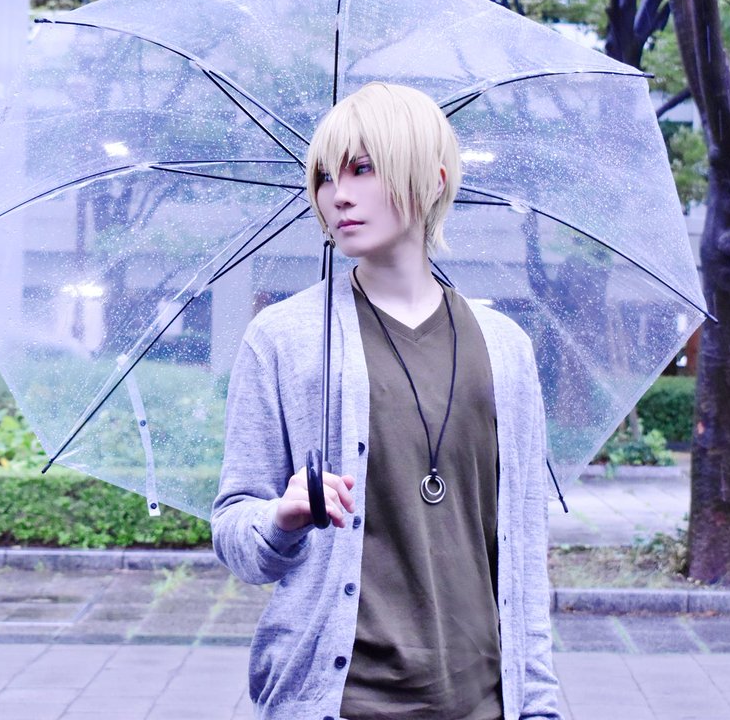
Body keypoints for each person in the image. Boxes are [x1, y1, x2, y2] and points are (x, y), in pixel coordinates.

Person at [212, 82, 560, 720]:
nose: (337, 194)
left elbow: (524, 550)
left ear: (432, 180)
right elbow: (235, 532)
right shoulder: (286, 339)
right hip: (338, 703)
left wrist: (539, 703)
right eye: (325, 176)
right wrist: (282, 519)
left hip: (485, 701)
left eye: (363, 169)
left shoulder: (506, 348)